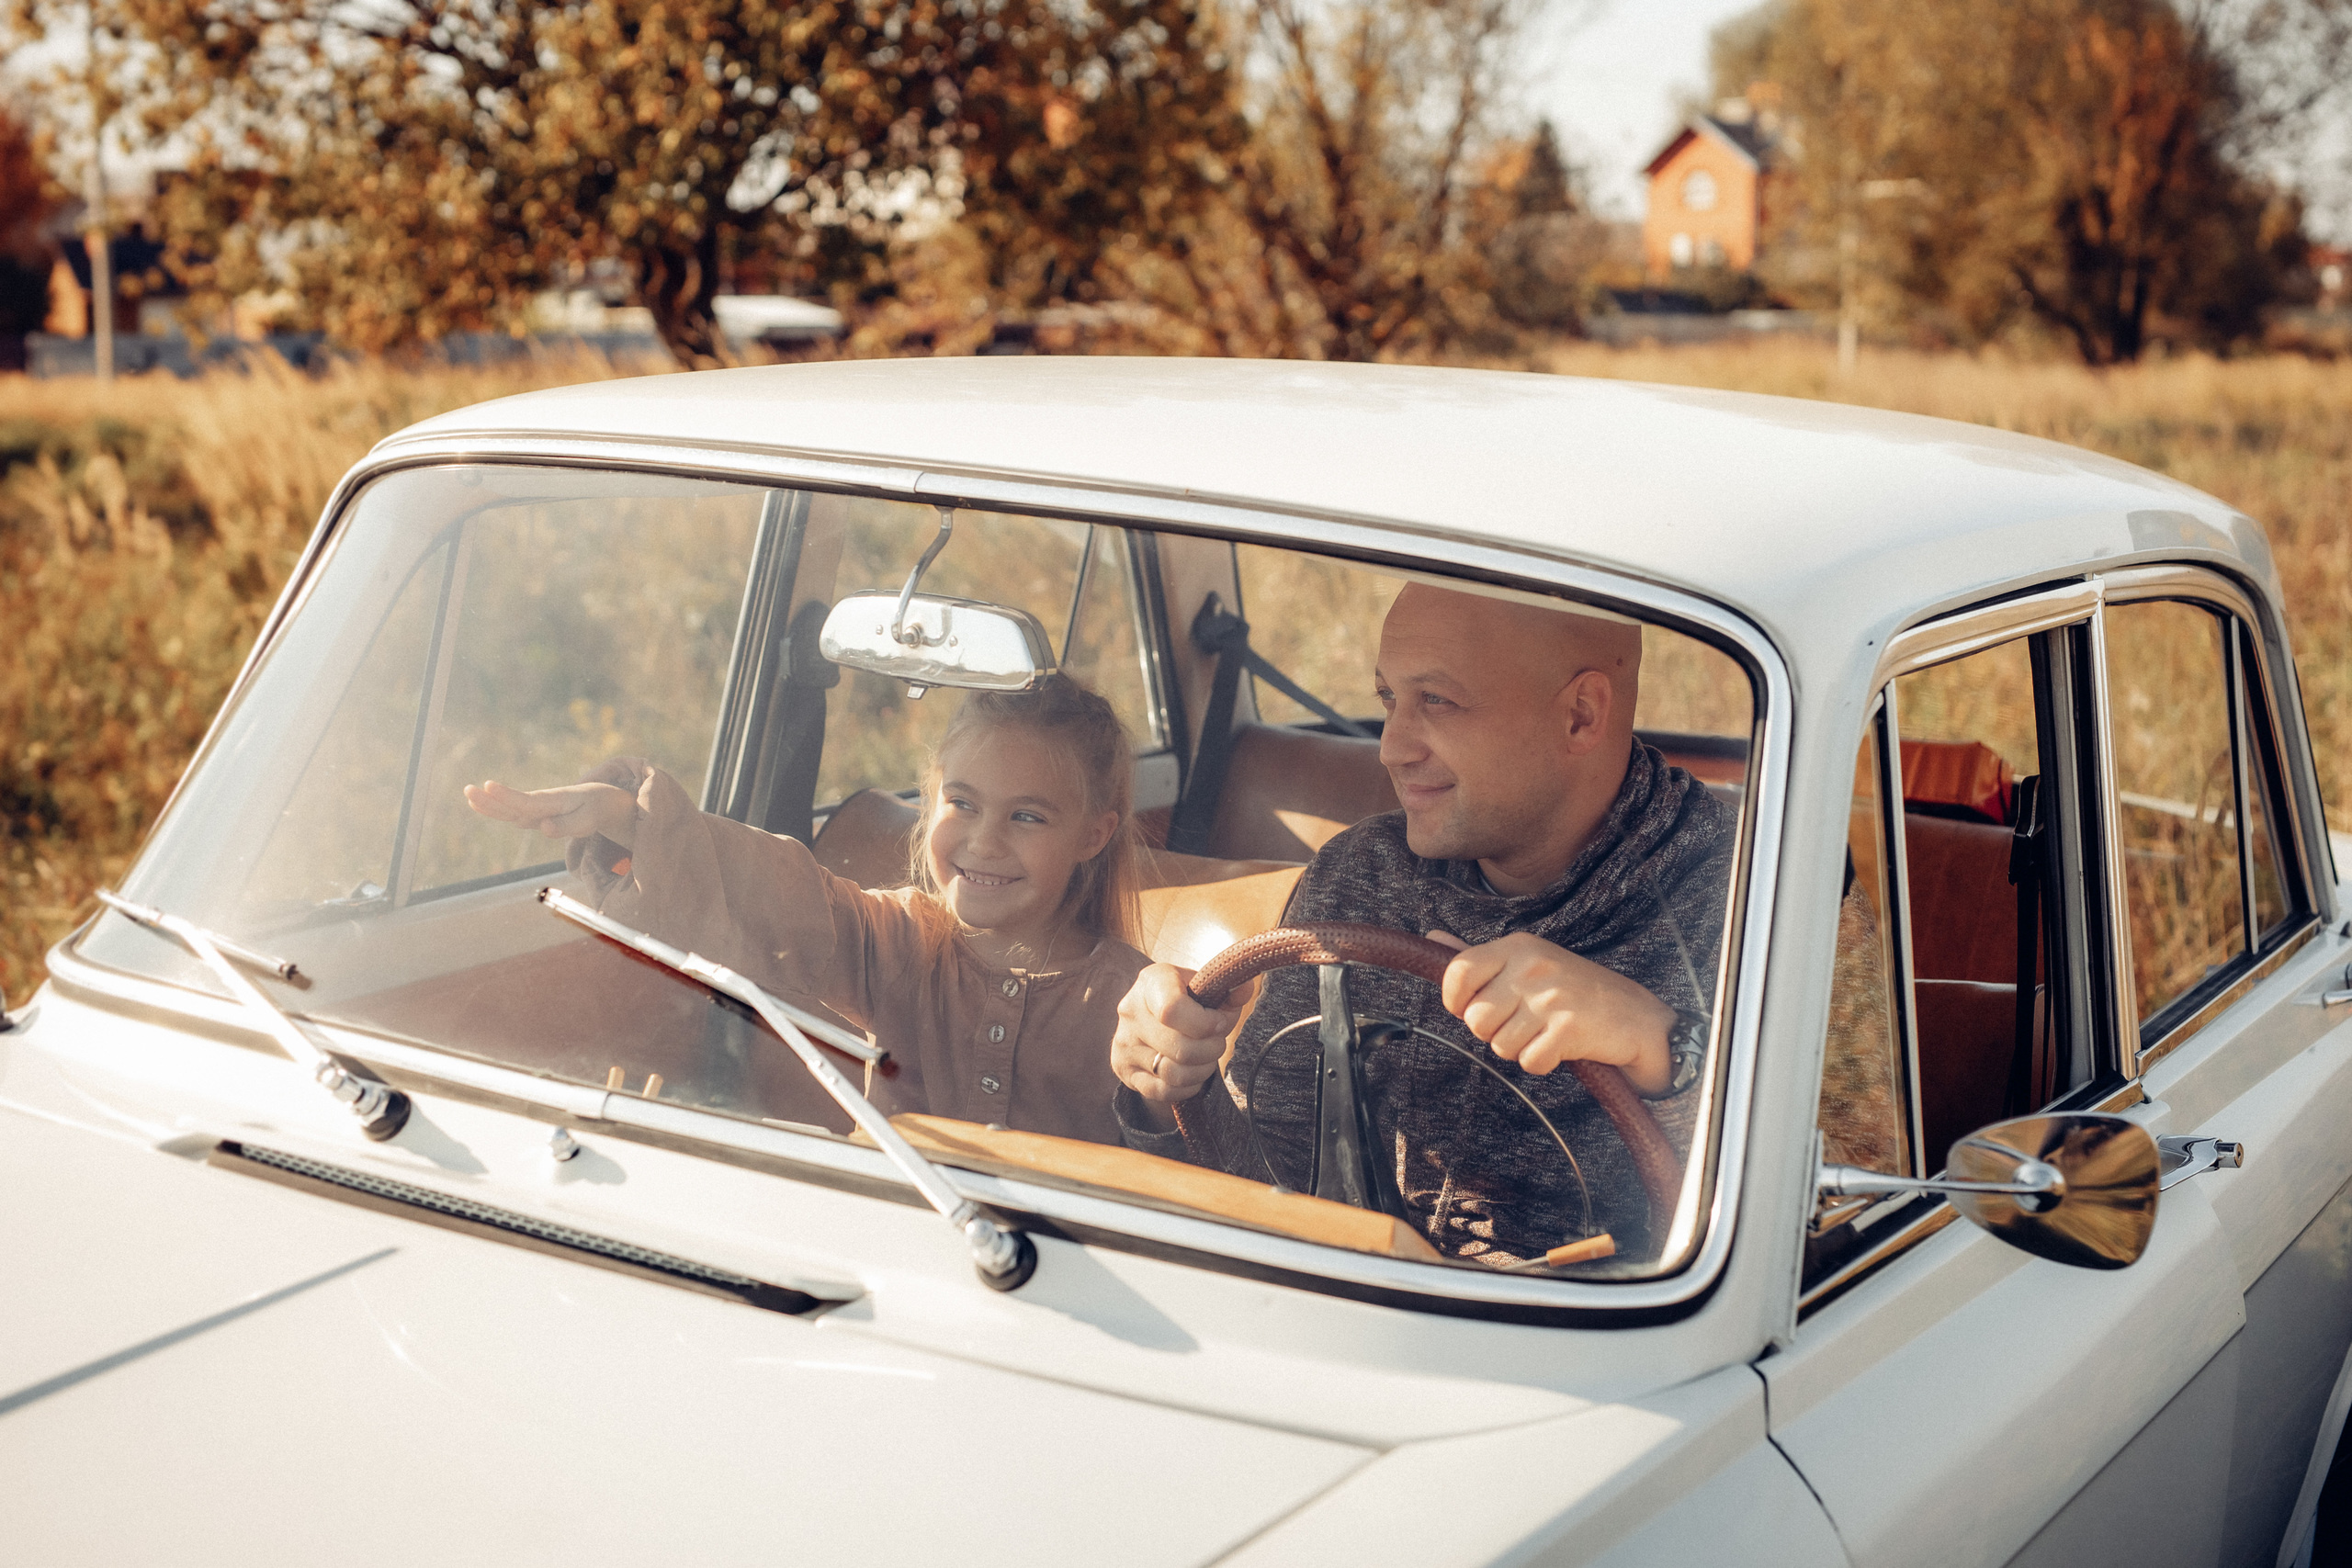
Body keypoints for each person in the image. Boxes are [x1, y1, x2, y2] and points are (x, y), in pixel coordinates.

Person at [1109, 584, 1737, 1264]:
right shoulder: (1358, 876)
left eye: (1437, 701)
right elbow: (1265, 1193)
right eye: (1388, 700)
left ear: (1581, 716)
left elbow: (1844, 1193)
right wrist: (1165, 1086)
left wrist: (1668, 1046)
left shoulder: (1756, 883)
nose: (1391, 748)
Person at [465, 673, 1146, 1145]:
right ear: (931, 798)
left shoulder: (1132, 997)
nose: (984, 840)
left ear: (1093, 834)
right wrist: (631, 818)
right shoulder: (900, 939)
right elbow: (779, 891)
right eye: (961, 803)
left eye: (1027, 815)